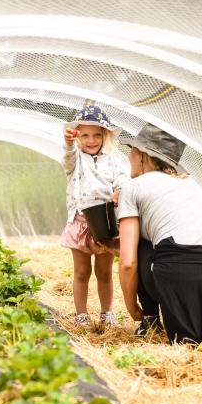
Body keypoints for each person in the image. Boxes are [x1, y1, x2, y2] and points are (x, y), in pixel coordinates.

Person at [116, 123, 202, 343]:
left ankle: (149, 319)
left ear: (143, 156)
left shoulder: (132, 188)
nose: (129, 154)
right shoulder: (190, 183)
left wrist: (132, 308)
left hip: (179, 275)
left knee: (139, 244)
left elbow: (128, 262)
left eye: (133, 149)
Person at [61, 104, 130, 327]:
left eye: (97, 135)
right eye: (85, 135)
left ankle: (107, 313)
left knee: (104, 271)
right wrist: (69, 143)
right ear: (78, 137)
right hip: (80, 222)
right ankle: (81, 314)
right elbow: (68, 157)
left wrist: (119, 191)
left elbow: (122, 179)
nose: (91, 140)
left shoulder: (112, 160)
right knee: (81, 271)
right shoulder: (76, 159)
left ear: (105, 136)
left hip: (104, 223)